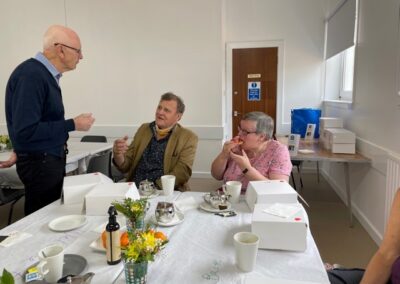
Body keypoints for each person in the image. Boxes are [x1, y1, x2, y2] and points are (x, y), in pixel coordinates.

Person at [5, 25, 95, 215]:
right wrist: (73, 124)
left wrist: (19, 148)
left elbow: (25, 127)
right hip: (40, 165)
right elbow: (27, 130)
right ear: (60, 49)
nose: (81, 56)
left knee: (48, 216)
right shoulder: (32, 75)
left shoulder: (41, 75)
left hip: (44, 162)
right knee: (41, 219)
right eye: (78, 51)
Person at [113, 92, 198, 191]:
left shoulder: (188, 137)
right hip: (135, 190)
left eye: (166, 110)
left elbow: (182, 172)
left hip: (163, 192)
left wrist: (152, 189)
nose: (160, 112)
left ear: (178, 116)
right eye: (159, 107)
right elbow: (125, 166)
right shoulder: (144, 129)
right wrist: (118, 154)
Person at [211, 111, 292, 191]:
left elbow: (279, 189)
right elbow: (216, 176)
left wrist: (246, 168)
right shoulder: (237, 147)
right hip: (230, 198)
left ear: (261, 137)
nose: (239, 134)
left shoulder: (278, 151)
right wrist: (224, 154)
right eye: (240, 129)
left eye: (245, 132)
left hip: (259, 201)